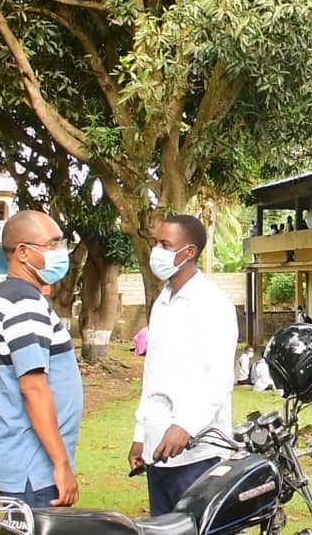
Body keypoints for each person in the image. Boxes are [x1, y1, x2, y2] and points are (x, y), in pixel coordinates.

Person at [128, 214, 238, 517]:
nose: (156, 251)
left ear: (189, 252)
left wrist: (186, 426)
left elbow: (218, 378)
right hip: (158, 450)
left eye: (165, 244)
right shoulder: (162, 303)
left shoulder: (212, 304)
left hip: (198, 454)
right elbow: (153, 374)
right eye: (156, 243)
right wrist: (141, 435)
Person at [0, 210, 83, 508]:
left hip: (27, 463)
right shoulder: (24, 304)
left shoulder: (15, 297)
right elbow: (33, 388)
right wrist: (60, 464)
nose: (60, 252)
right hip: (34, 468)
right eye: (52, 245)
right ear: (23, 253)